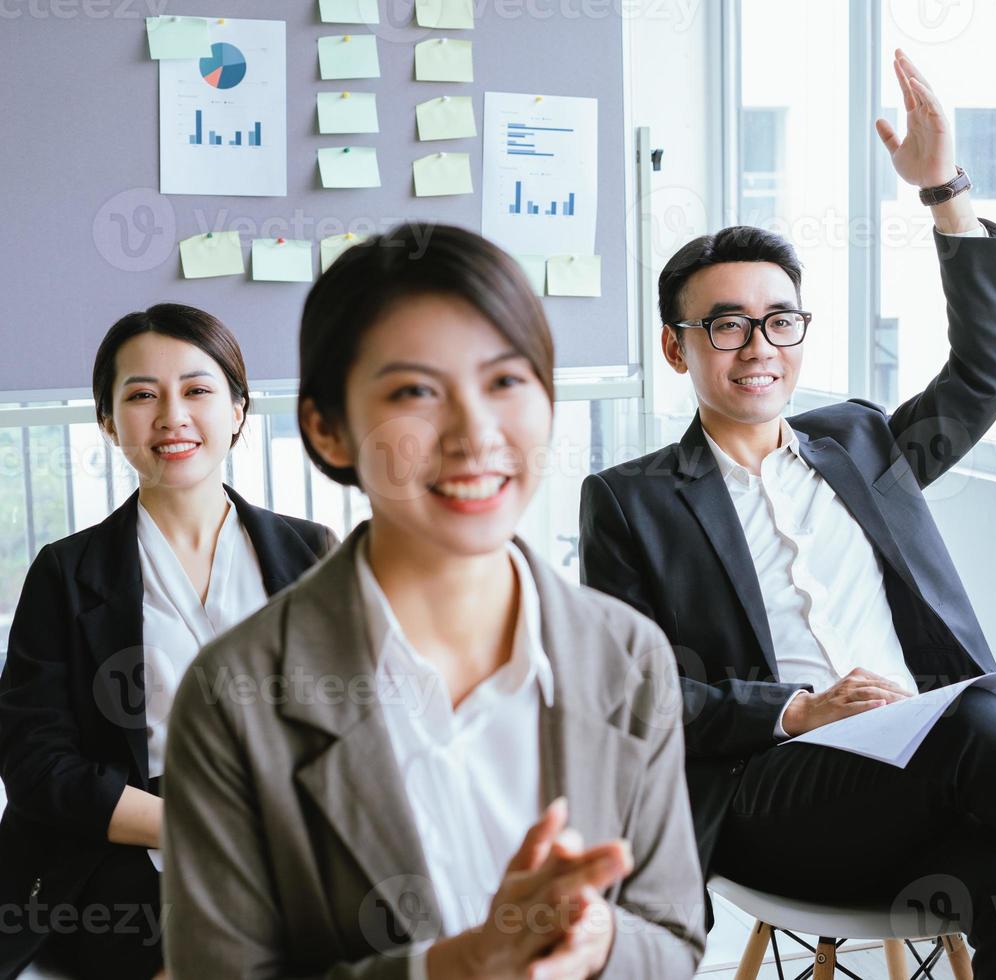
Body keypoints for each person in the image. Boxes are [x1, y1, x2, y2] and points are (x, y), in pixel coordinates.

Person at [579, 51, 996, 978]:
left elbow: (988, 370)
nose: (758, 346)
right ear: (676, 348)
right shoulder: (632, 500)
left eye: (780, 320)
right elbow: (632, 697)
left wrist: (944, 190)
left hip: (931, 783)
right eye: (726, 324)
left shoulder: (857, 443)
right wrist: (798, 711)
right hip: (776, 798)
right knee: (976, 724)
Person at [160, 224, 706, 979]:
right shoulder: (233, 696)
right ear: (327, 428)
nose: (474, 433)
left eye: (507, 381)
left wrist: (601, 942)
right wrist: (452, 967)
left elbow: (675, 938)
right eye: (415, 391)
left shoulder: (627, 653)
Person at [0, 305, 336, 979]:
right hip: (127, 843)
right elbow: (37, 763)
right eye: (142, 395)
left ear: (239, 410)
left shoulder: (310, 552)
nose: (171, 416)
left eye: (197, 390)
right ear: (106, 420)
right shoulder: (66, 572)